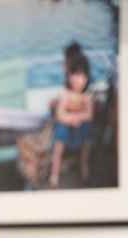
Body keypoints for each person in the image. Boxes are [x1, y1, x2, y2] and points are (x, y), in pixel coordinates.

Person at [49, 45, 94, 188]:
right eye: (74, 75)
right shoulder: (66, 93)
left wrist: (78, 118)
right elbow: (60, 114)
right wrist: (71, 119)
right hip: (66, 126)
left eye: (81, 76)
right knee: (59, 138)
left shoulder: (87, 95)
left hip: (80, 126)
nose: (77, 80)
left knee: (88, 135)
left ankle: (84, 167)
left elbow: (89, 114)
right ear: (68, 76)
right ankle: (54, 174)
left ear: (87, 77)